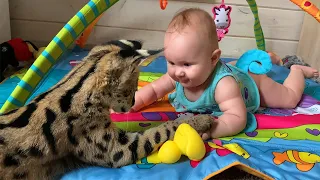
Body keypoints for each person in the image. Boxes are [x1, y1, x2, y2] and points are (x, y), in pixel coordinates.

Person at [131, 8, 319, 139]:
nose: (177, 72)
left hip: (253, 85)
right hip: (230, 69)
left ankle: (297, 70)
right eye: (171, 62)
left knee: (289, 99)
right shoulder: (178, 76)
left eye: (187, 64)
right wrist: (134, 102)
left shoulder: (223, 85)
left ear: (213, 59)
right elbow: (154, 90)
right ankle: (266, 58)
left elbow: (237, 117)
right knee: (235, 65)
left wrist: (213, 130)